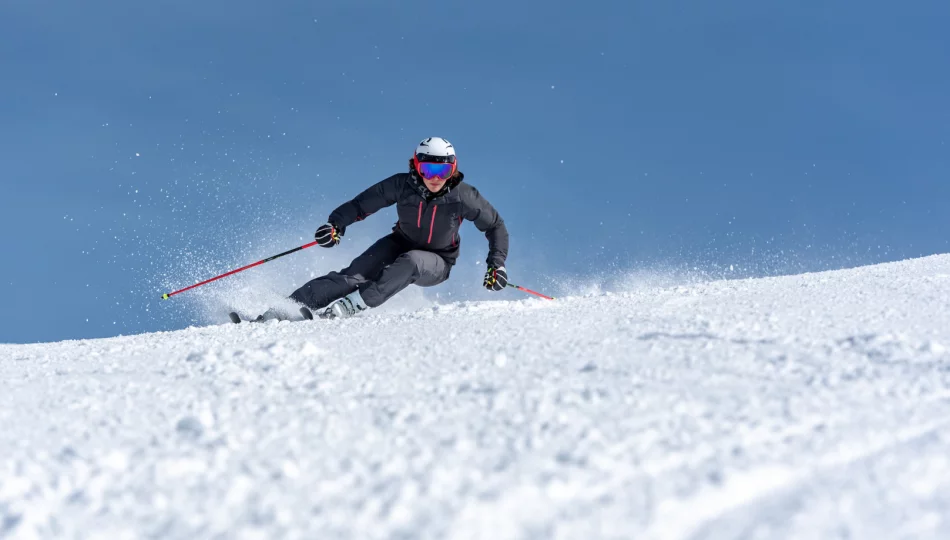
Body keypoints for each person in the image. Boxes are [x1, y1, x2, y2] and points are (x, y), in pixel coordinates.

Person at [264, 137, 509, 321]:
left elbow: (495, 226)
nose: (435, 178)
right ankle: (284, 309)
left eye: (443, 171)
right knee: (351, 276)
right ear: (416, 166)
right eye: (428, 170)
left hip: (439, 261)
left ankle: (352, 305)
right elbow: (362, 204)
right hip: (399, 242)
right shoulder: (402, 185)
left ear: (452, 170)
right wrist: (335, 224)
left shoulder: (464, 196)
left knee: (412, 261)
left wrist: (496, 265)